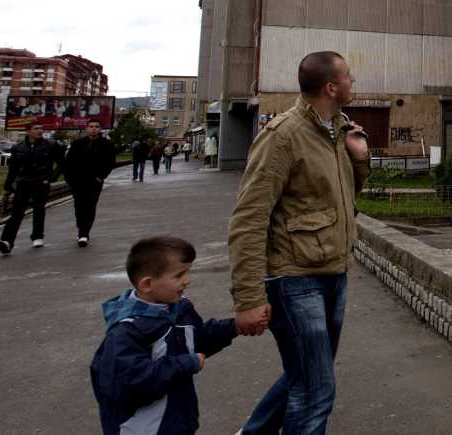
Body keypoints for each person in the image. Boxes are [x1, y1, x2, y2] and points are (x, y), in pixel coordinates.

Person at [229, 51, 371, 434]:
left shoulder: (336, 131)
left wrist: (358, 159)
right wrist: (248, 297)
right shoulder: (283, 136)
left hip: (333, 271)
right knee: (315, 389)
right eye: (348, 76)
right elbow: (249, 217)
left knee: (308, 375)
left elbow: (342, 198)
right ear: (331, 87)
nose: (353, 81)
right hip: (295, 278)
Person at [90, 236, 238, 435]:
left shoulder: (179, 310)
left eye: (188, 272)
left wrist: (234, 327)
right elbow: (129, 380)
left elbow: (197, 339)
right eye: (179, 275)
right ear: (148, 284)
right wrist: (186, 364)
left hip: (176, 423)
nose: (187, 280)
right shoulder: (127, 331)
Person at [0, 122, 64, 254]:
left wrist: (50, 179)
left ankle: (37, 236)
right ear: (28, 131)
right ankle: (6, 241)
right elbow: (13, 170)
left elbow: (61, 164)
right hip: (23, 183)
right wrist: (8, 187)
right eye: (36, 129)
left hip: (41, 182)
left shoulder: (50, 145)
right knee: (17, 212)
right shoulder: (18, 148)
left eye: (41, 128)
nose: (40, 131)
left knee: (39, 209)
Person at [65, 120, 116, 247]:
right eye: (91, 127)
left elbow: (110, 162)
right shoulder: (78, 144)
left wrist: (100, 176)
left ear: (100, 129)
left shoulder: (106, 144)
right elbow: (69, 162)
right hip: (77, 181)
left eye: (96, 127)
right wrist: (69, 179)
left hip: (94, 181)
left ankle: (84, 234)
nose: (94, 129)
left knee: (90, 206)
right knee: (79, 207)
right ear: (86, 128)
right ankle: (81, 228)